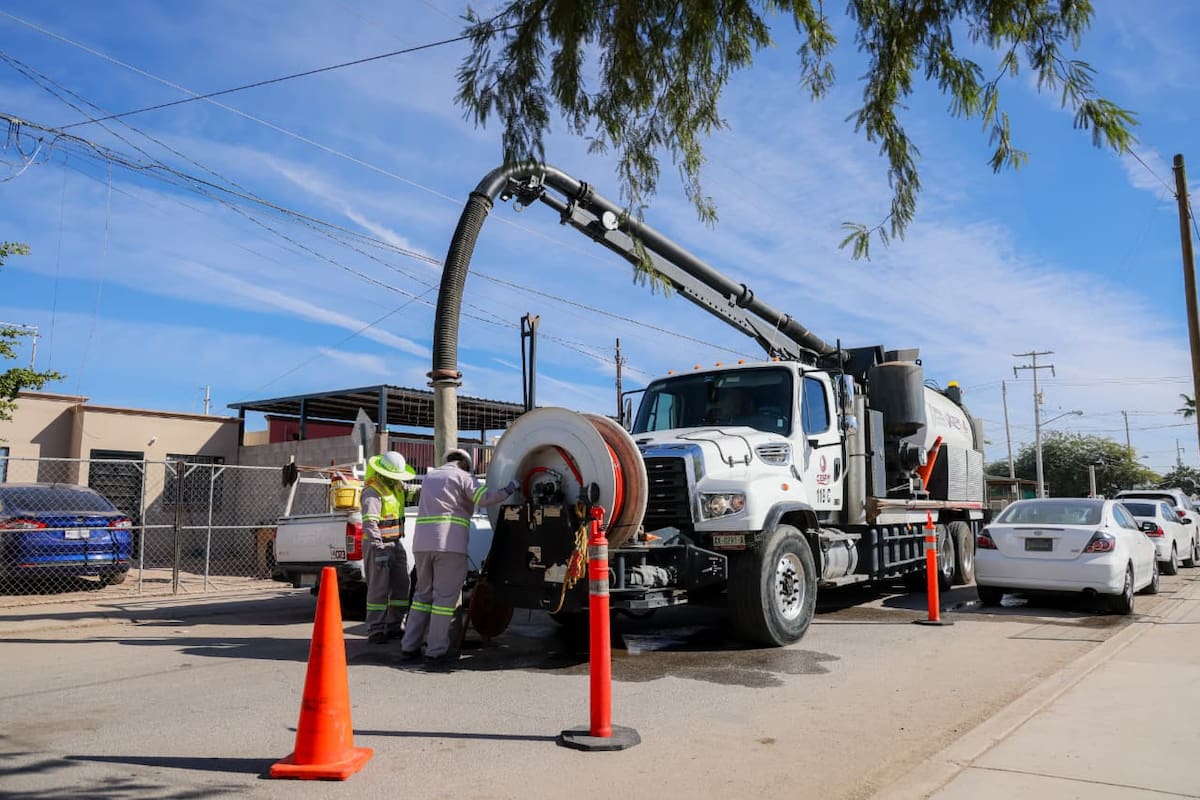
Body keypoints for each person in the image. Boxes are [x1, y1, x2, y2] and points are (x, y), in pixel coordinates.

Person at [401, 448, 519, 663]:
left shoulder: (429, 477)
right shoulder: (463, 477)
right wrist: (510, 488)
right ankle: (436, 651)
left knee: (421, 597)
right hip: (449, 544)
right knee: (443, 600)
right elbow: (485, 499)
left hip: (421, 545)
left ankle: (409, 646)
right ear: (465, 464)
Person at [361, 450, 416, 645]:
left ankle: (395, 625)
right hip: (378, 545)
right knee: (379, 589)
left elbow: (415, 492)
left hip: (395, 542)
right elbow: (369, 523)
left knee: (402, 584)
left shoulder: (397, 487)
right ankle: (375, 629)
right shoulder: (372, 491)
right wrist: (378, 547)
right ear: (383, 472)